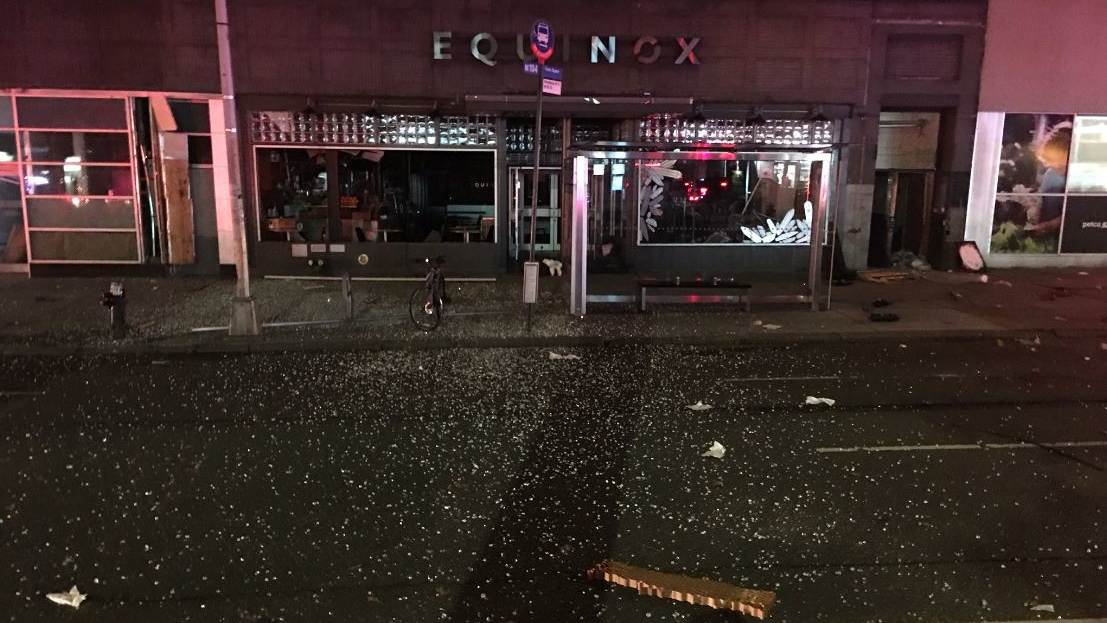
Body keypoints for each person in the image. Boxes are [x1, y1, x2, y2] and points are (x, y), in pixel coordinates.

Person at [1025, 125, 1071, 236]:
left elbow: (1080, 211)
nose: (1054, 165)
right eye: (1051, 161)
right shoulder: (1050, 175)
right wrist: (1035, 210)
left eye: (1059, 161)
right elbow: (1040, 201)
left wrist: (1052, 225)